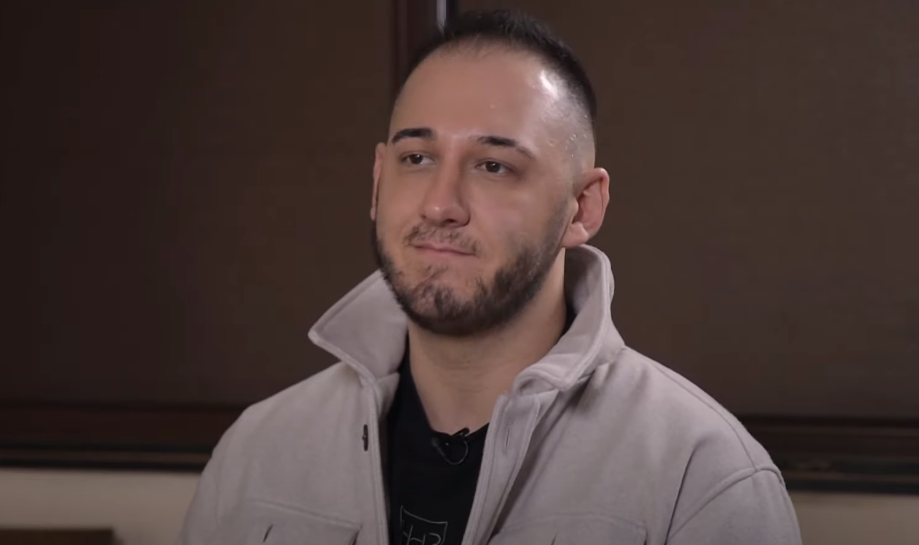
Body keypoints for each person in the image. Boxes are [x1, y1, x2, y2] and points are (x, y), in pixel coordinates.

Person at [177, 9, 801, 545]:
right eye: (417, 158)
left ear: (582, 208)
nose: (440, 204)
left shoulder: (702, 476)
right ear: (377, 182)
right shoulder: (257, 452)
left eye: (494, 166)